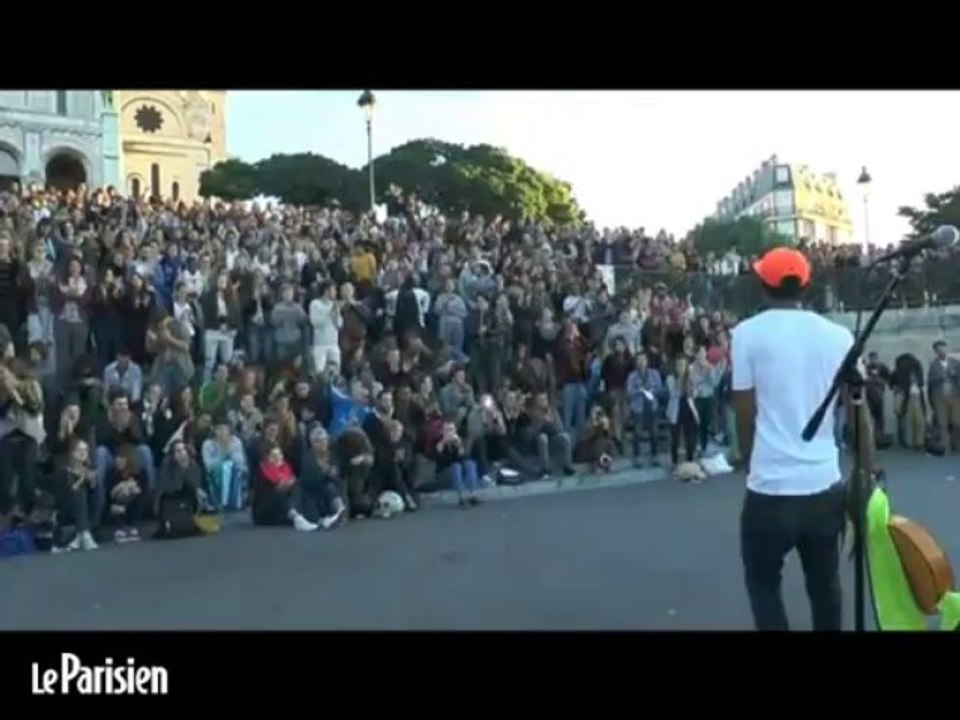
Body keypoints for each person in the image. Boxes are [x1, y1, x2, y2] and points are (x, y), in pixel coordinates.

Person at [731, 247, 852, 632]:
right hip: (824, 483)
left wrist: (752, 464)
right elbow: (858, 406)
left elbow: (745, 413)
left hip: (771, 487)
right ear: (806, 285)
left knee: (764, 584)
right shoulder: (838, 335)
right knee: (826, 586)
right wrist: (868, 469)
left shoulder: (746, 334)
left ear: (763, 283)